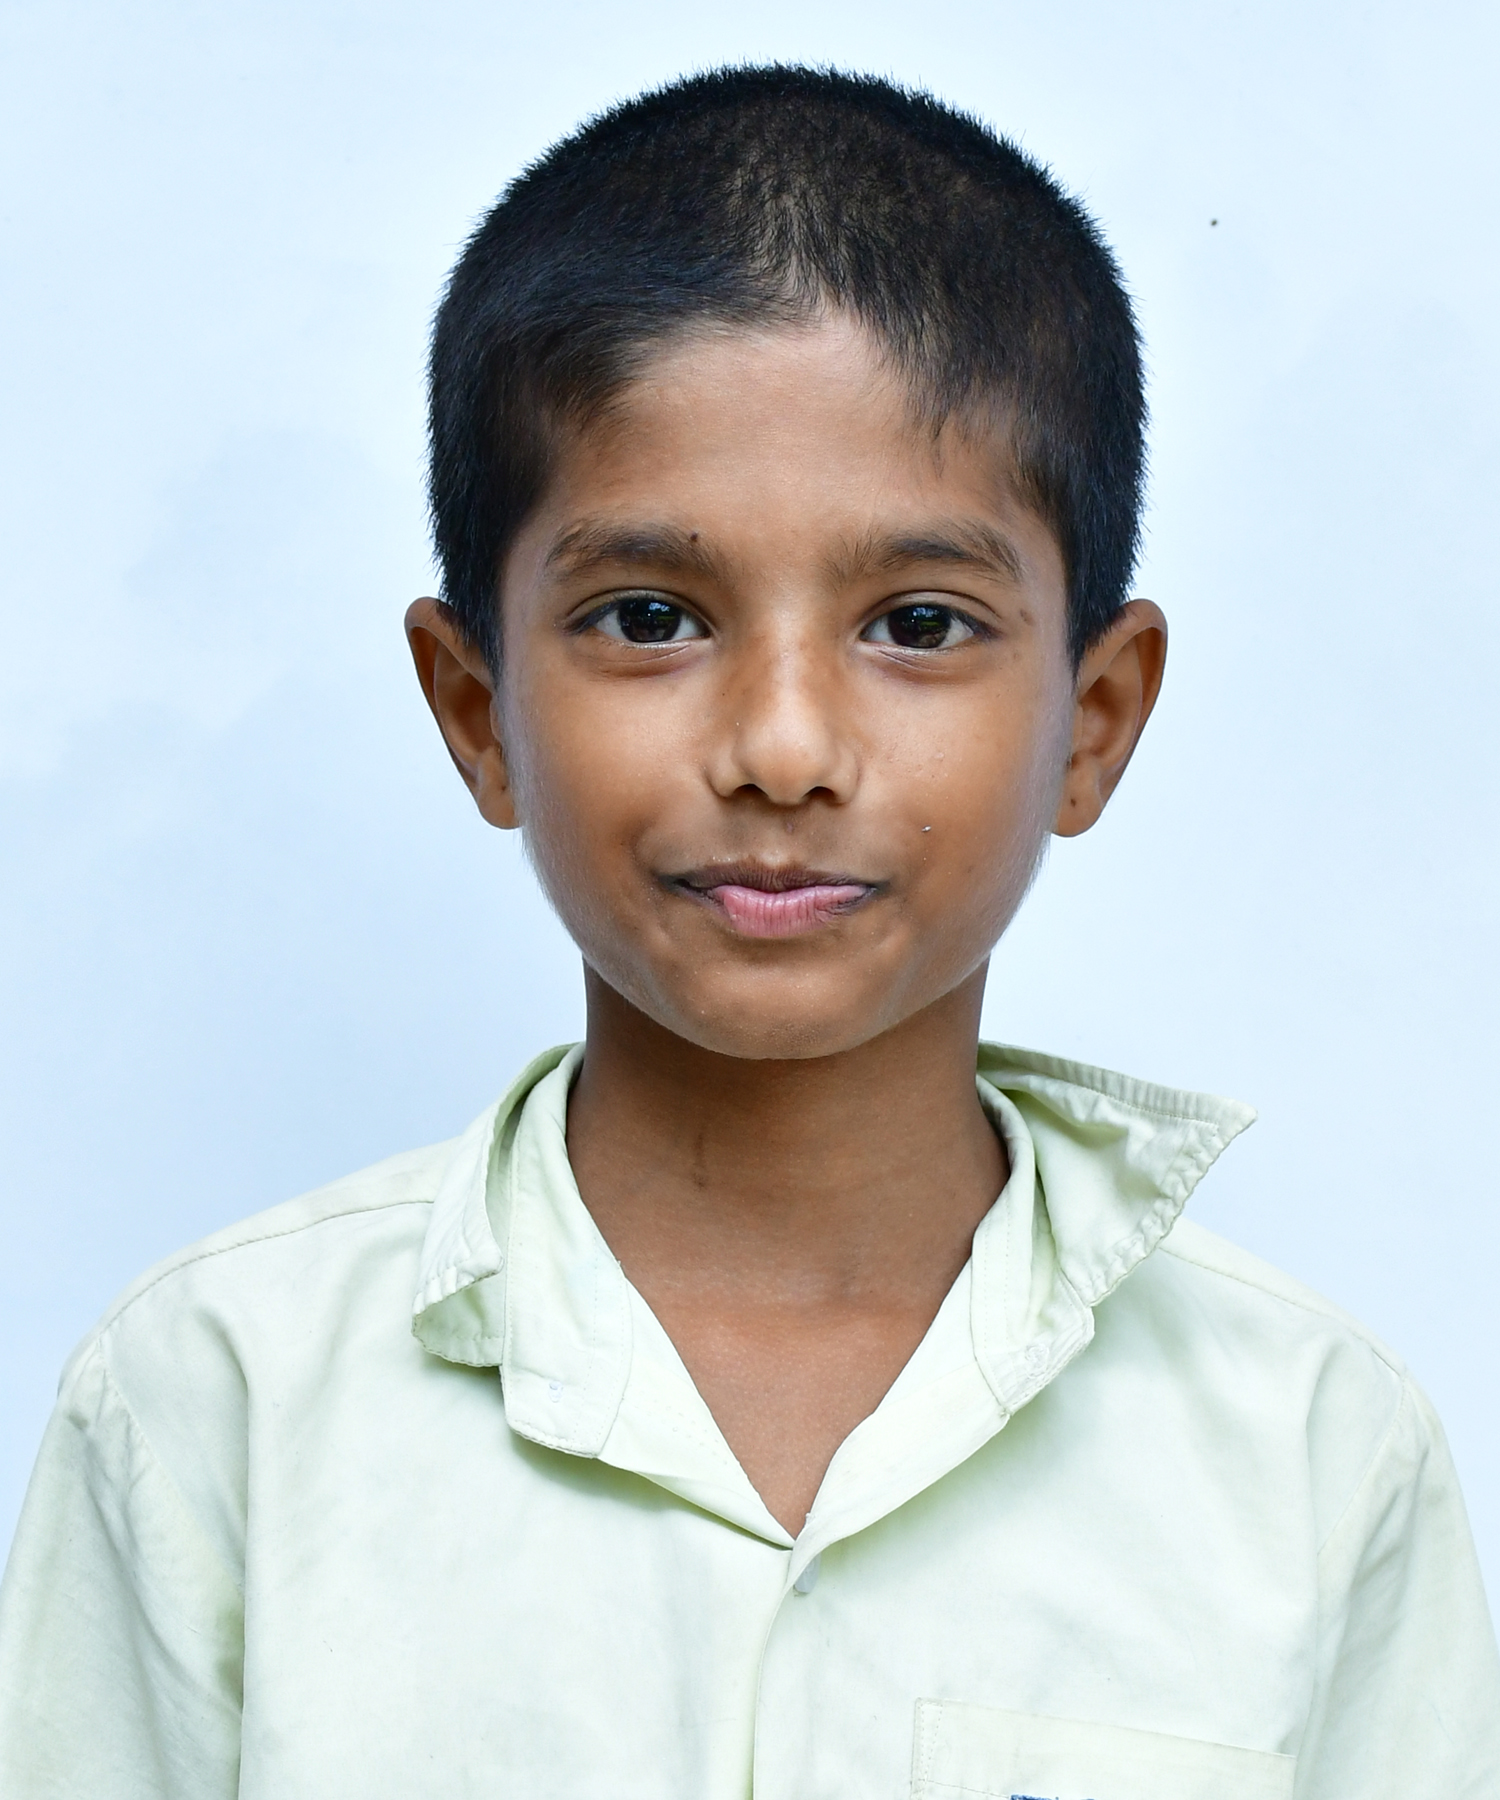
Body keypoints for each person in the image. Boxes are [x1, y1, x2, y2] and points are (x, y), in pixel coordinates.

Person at [0, 64, 1495, 1800]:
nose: (783, 746)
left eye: (917, 624)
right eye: (651, 616)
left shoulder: (1310, 1451)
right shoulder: (218, 1406)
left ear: (1092, 723)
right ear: (477, 711)